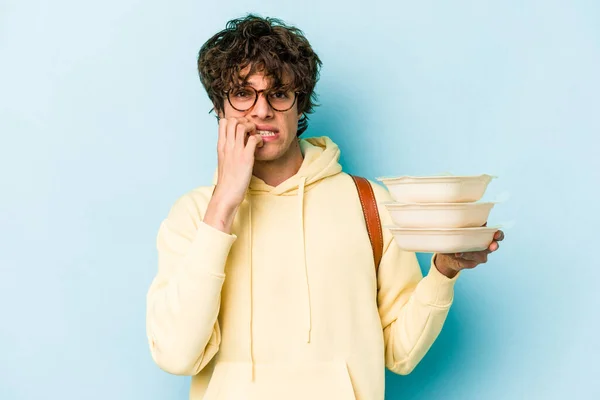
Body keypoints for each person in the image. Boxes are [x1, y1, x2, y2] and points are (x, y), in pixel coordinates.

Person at [145, 14, 504, 400]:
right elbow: (177, 355)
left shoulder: (371, 205)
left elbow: (400, 354)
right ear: (221, 108)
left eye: (279, 93)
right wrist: (223, 207)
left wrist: (443, 272)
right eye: (243, 93)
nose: (262, 110)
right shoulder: (193, 215)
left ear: (299, 107)